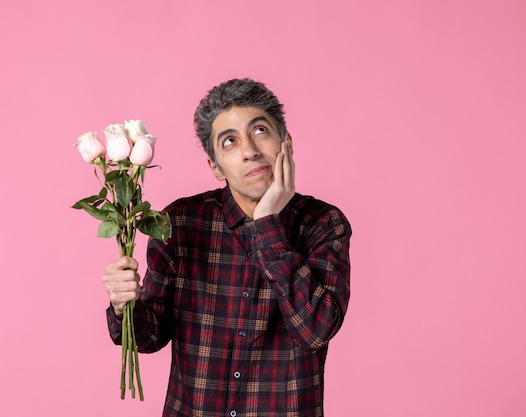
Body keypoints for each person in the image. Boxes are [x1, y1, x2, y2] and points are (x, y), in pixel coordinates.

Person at [102, 78, 351, 417]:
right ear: (215, 166)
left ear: (286, 142)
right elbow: (149, 337)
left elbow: (316, 331)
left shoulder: (324, 224)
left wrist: (267, 226)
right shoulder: (178, 222)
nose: (250, 150)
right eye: (230, 141)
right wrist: (123, 306)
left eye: (260, 130)